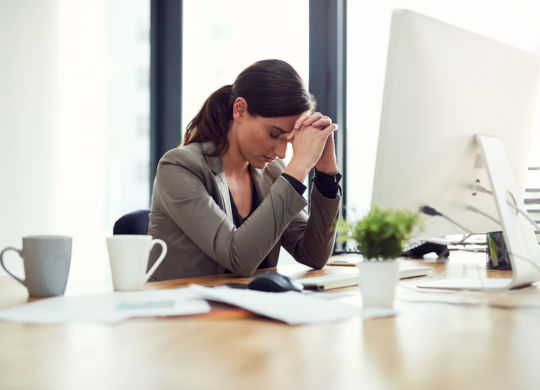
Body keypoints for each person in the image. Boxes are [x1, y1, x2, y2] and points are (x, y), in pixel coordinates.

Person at [147, 59, 342, 280]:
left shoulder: (272, 172)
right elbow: (238, 258)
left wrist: (326, 174)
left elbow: (313, 255)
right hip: (185, 310)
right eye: (274, 134)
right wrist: (299, 168)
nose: (282, 153)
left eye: (289, 140)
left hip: (249, 309)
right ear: (240, 110)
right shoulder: (178, 167)